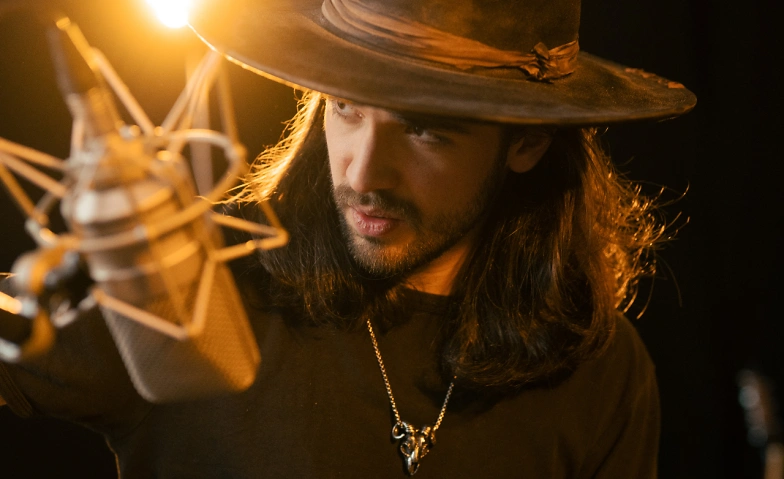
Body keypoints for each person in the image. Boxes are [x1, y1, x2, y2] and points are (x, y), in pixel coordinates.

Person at [0, 0, 696, 477]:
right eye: (347, 109)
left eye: (424, 130)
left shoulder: (600, 370)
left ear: (527, 143)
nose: (363, 174)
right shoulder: (184, 282)